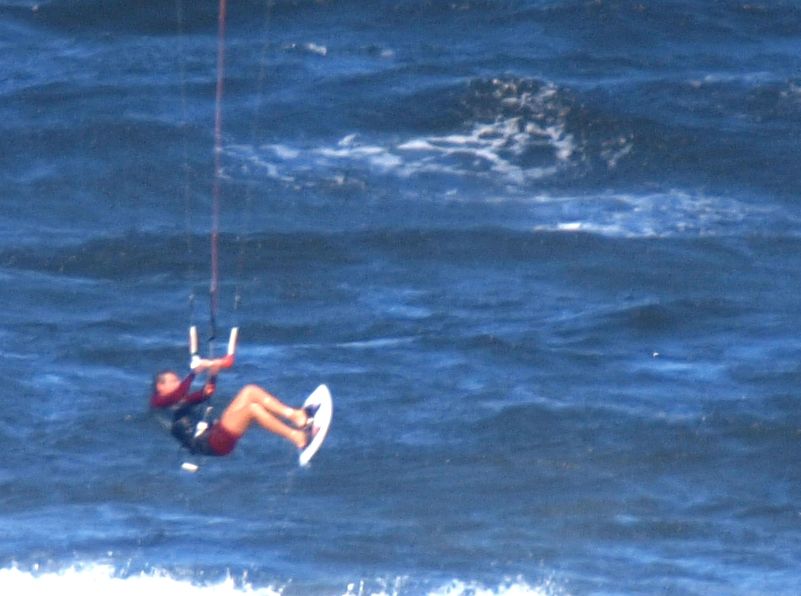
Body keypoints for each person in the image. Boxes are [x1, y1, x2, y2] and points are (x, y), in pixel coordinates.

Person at [150, 357, 316, 456]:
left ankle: (296, 416)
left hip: (213, 434)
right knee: (252, 409)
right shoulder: (158, 403)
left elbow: (206, 393)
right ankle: (296, 437)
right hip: (208, 443)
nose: (178, 383)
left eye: (178, 380)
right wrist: (194, 373)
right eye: (173, 381)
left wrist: (213, 372)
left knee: (250, 390)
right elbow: (178, 393)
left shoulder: (178, 399)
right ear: (160, 386)